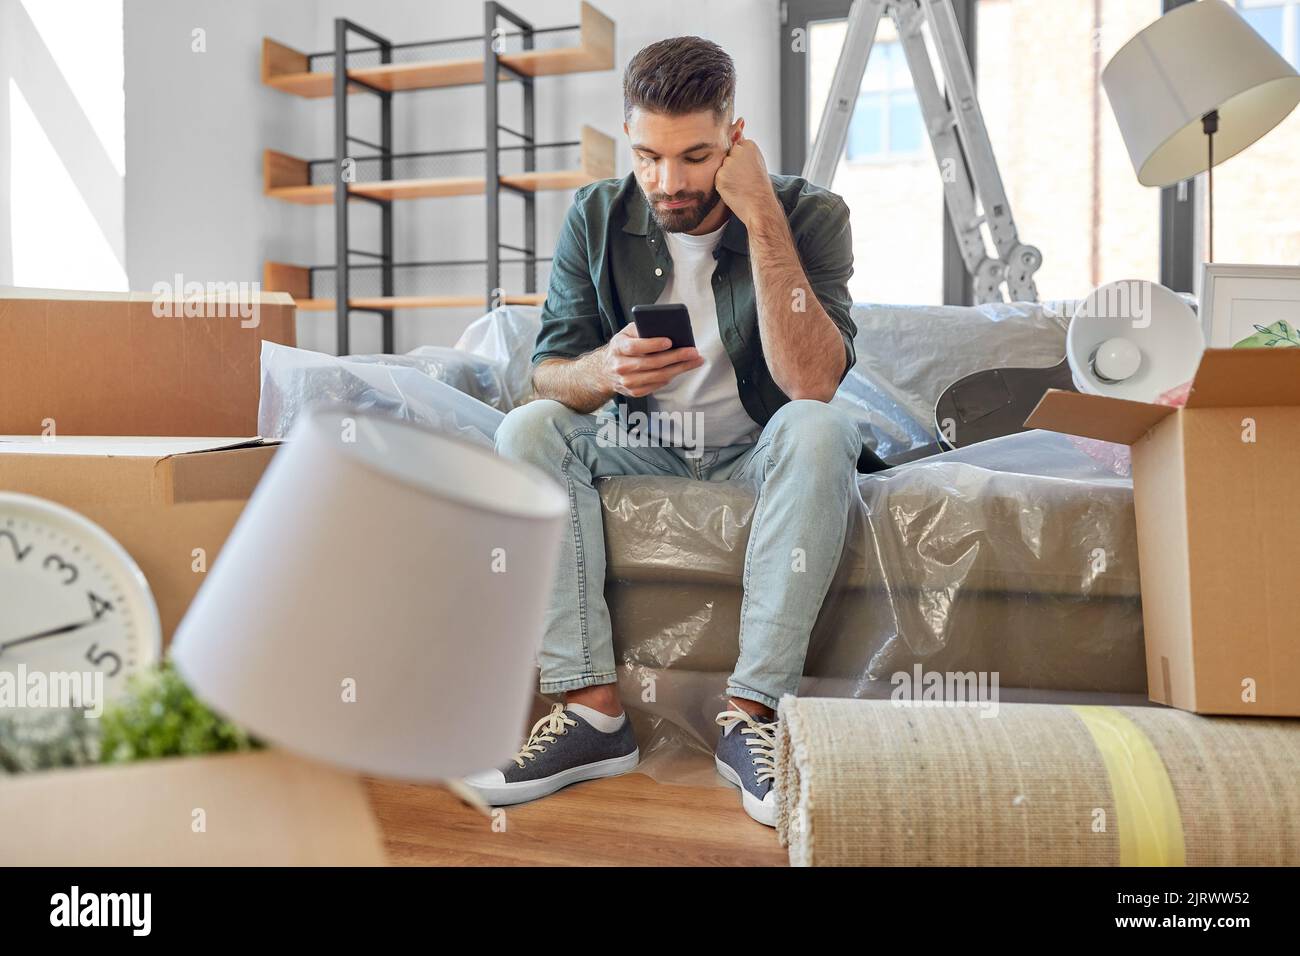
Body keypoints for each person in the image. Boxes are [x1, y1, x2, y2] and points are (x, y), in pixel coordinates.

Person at [464, 35, 875, 827]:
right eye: (648, 156)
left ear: (735, 137)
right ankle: (592, 716)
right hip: (644, 440)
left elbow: (813, 383)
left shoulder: (811, 215)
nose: (669, 182)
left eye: (695, 157)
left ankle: (752, 718)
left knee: (825, 431)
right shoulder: (596, 215)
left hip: (762, 448)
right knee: (527, 431)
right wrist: (605, 372)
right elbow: (548, 372)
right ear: (629, 139)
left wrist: (759, 220)